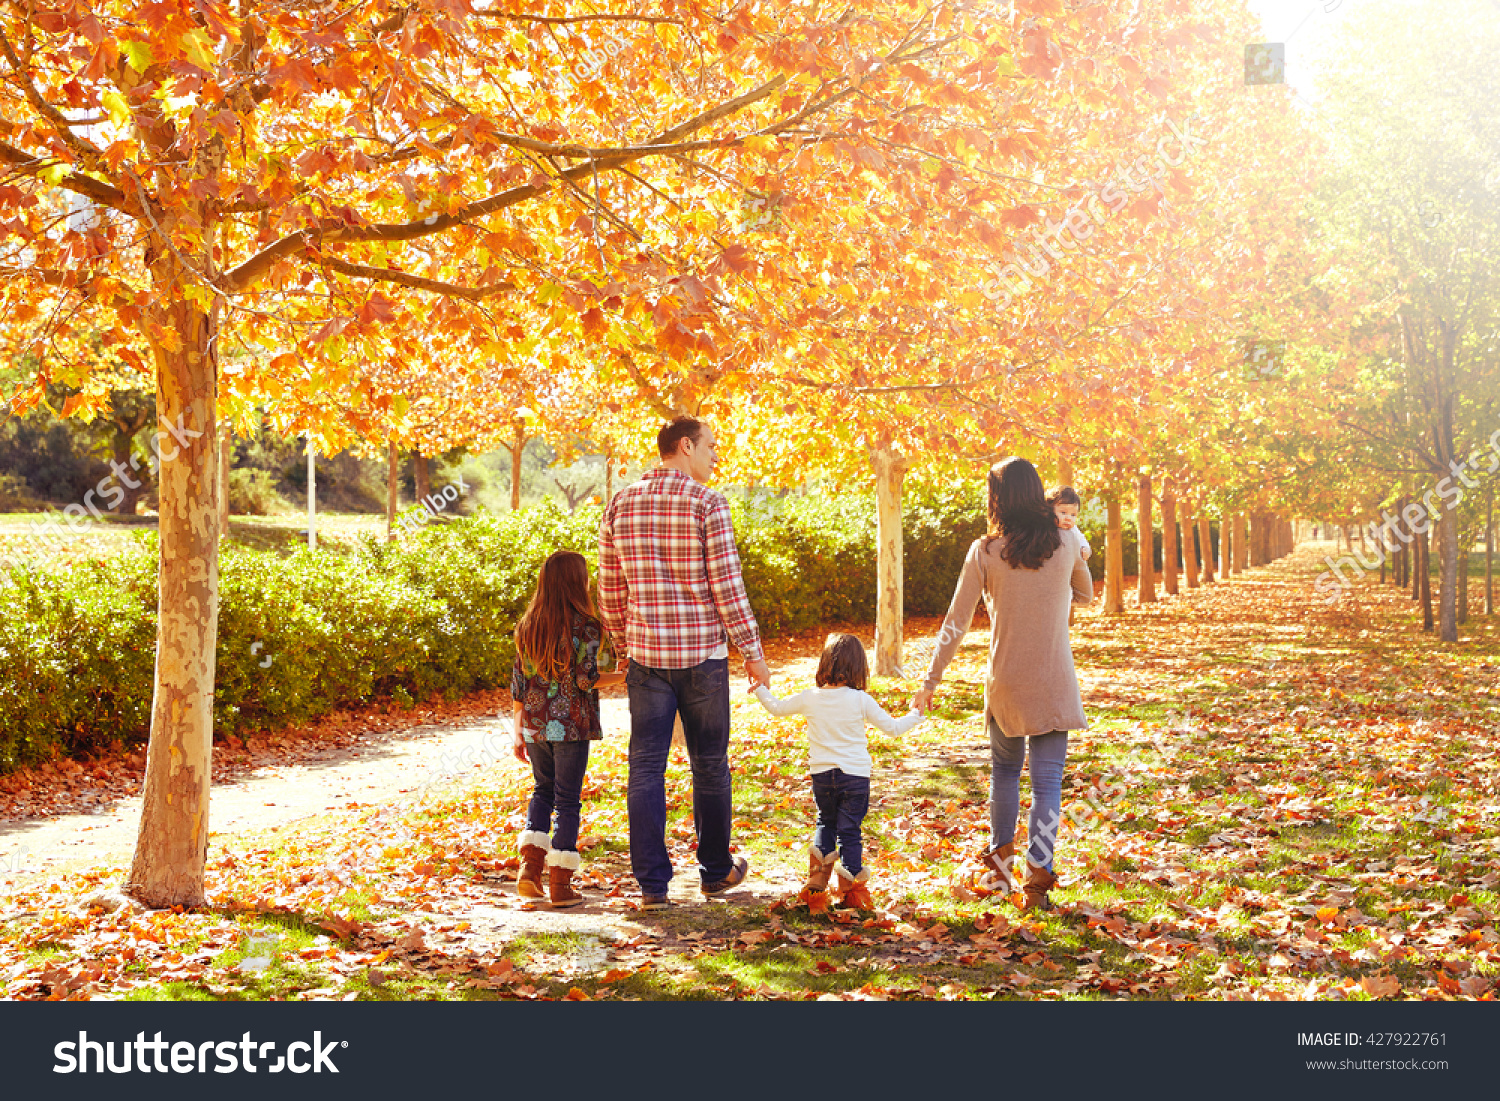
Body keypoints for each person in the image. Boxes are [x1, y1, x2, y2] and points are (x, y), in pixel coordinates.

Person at [599, 416, 772, 908]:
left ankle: (653, 885)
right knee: (710, 764)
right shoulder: (707, 502)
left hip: (647, 659)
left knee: (646, 768)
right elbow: (728, 587)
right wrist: (752, 653)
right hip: (703, 657)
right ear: (685, 445)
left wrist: (622, 644)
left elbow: (610, 587)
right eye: (711, 446)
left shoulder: (621, 502)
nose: (716, 455)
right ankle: (716, 872)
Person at [913, 458, 1093, 911]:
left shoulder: (986, 550)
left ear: (999, 498)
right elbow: (1087, 594)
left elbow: (956, 623)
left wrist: (930, 681)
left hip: (1006, 682)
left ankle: (999, 863)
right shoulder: (1066, 540)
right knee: (1048, 779)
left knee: (1006, 774)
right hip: (1055, 678)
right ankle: (1039, 874)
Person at [752, 633, 925, 912]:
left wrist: (760, 688)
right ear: (859, 667)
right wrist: (916, 715)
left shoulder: (811, 697)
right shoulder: (860, 700)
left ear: (825, 664)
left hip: (822, 775)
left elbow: (776, 708)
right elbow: (893, 729)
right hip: (855, 777)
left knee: (825, 822)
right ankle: (851, 892)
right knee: (850, 832)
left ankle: (818, 881)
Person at [511, 550, 625, 908]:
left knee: (542, 791)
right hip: (571, 726)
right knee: (568, 801)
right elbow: (585, 679)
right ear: (577, 581)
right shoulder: (586, 625)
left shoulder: (528, 624)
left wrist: (518, 730)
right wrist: (624, 675)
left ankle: (529, 873)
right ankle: (560, 884)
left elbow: (519, 682)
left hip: (535, 724)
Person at [1048, 485, 1092, 561]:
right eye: (1063, 512)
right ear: (1050, 510)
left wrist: (1085, 548)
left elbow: (1082, 539)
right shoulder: (1047, 528)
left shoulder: (1073, 529)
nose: (1068, 518)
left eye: (1073, 515)